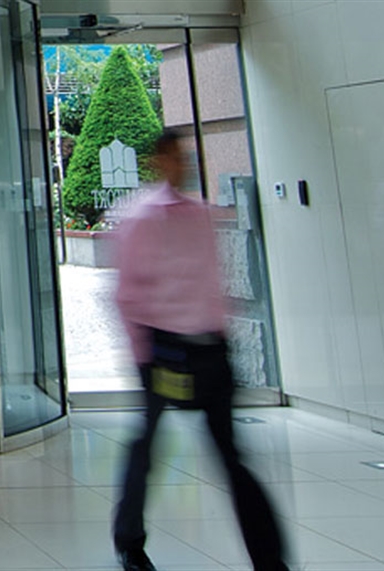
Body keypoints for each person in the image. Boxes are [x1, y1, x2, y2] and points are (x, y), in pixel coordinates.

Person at [110, 133, 287, 571]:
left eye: (184, 156)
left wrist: (222, 340)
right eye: (172, 157)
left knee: (232, 458)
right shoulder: (141, 217)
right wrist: (142, 356)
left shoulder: (201, 215)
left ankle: (270, 560)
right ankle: (129, 542)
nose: (181, 163)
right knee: (146, 447)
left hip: (210, 349)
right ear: (156, 161)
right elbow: (127, 293)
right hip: (162, 349)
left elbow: (212, 285)